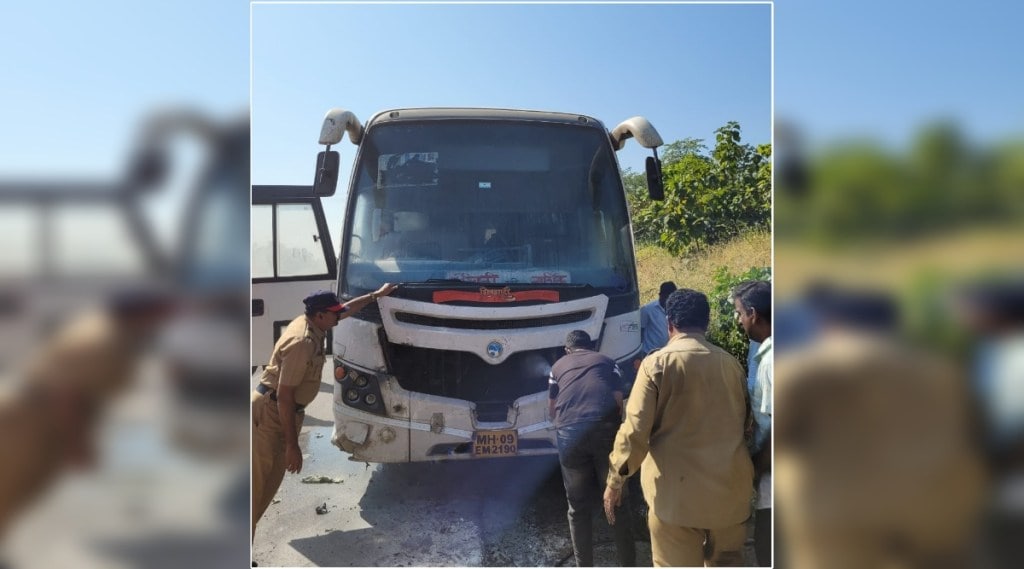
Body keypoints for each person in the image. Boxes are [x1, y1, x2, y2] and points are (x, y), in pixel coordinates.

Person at [0, 288, 174, 543]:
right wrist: (77, 445)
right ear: (143, 314)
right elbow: (67, 394)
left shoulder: (109, 331)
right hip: (29, 423)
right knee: (11, 487)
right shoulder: (104, 339)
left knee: (20, 492)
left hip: (37, 418)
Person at [604, 288, 753, 567]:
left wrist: (615, 481)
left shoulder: (656, 365)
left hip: (676, 501)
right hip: (730, 498)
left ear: (669, 323)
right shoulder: (731, 365)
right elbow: (746, 425)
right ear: (706, 324)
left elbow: (635, 431)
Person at [251, 284, 397, 545]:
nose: (338, 317)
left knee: (265, 489)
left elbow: (348, 309)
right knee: (254, 491)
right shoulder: (302, 343)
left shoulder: (315, 323)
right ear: (320, 316)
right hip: (271, 414)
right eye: (334, 314)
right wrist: (292, 447)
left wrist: (376, 295)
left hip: (280, 412)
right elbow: (285, 397)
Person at [548, 330, 635, 567]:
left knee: (577, 506)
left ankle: (583, 564)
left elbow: (552, 409)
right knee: (616, 500)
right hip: (604, 430)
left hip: (569, 435)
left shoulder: (557, 366)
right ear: (592, 347)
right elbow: (618, 402)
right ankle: (628, 563)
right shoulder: (608, 362)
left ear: (568, 350)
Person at [732, 280, 772, 566]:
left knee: (766, 545)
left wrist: (756, 468)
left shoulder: (771, 361)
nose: (738, 319)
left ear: (754, 315)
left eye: (739, 313)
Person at [639, 282, 676, 357]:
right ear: (660, 295)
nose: (669, 300)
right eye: (667, 297)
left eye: (672, 298)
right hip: (650, 353)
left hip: (669, 353)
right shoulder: (648, 309)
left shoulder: (676, 309)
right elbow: (640, 330)